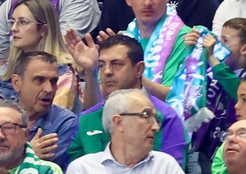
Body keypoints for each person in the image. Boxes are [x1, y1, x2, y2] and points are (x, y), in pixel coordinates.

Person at [62, 33, 188, 164]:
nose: (107, 71)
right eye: (101, 65)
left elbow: (173, 172)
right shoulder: (85, 120)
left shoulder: (165, 117)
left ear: (139, 69)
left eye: (116, 64)